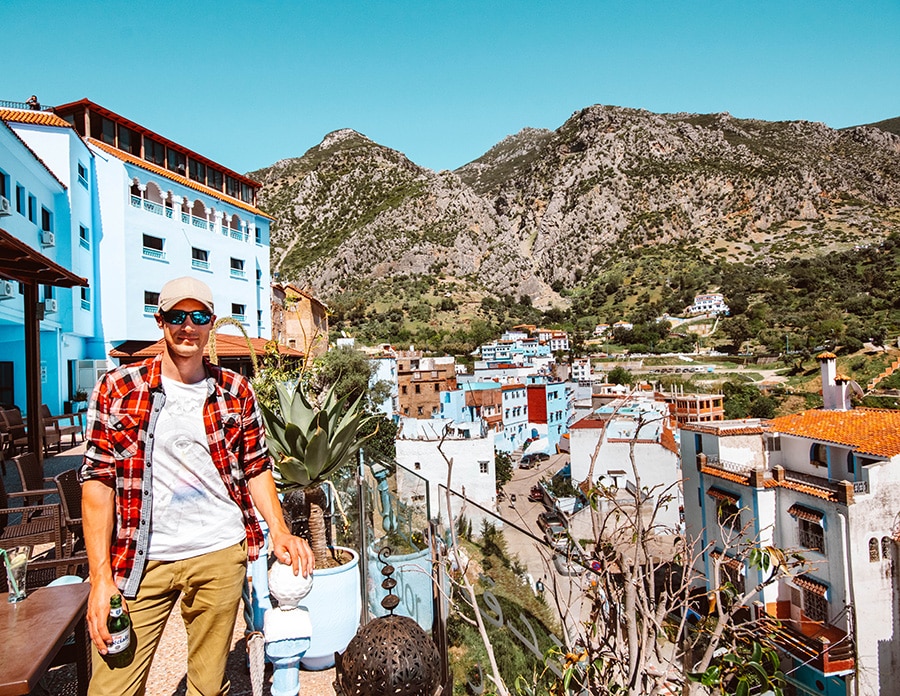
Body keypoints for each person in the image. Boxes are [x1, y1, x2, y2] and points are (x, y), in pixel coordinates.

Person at [80, 276, 314, 695]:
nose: (188, 326)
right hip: (140, 560)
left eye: (199, 316)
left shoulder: (235, 390)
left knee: (208, 685)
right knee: (112, 686)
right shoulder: (118, 388)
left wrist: (278, 529)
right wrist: (100, 579)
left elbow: (256, 465)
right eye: (177, 316)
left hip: (219, 554)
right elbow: (98, 482)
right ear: (160, 321)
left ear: (211, 324)